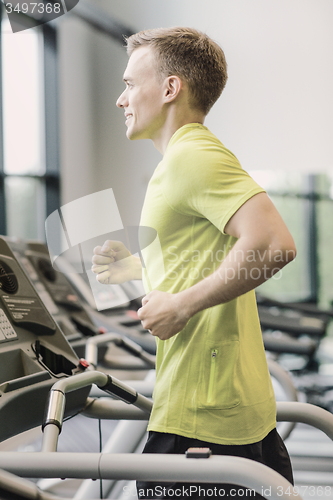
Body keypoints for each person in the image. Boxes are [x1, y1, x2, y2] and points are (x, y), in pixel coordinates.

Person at [92, 27, 296, 499]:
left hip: (204, 419)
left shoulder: (192, 155)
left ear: (169, 88)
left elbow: (274, 243)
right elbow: (204, 256)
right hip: (223, 407)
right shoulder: (184, 160)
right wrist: (139, 269)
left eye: (128, 84)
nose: (121, 100)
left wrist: (181, 304)